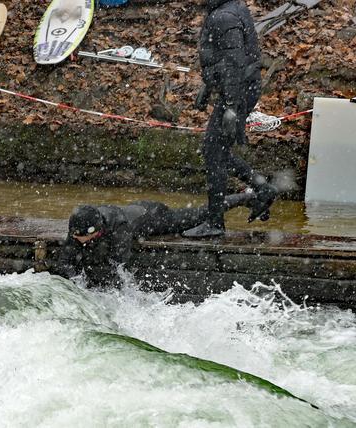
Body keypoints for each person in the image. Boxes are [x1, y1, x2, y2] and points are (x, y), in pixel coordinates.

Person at [184, 0, 278, 238]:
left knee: (214, 153)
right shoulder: (230, 9)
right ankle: (263, 189)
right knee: (216, 151)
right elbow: (228, 56)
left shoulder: (223, 17)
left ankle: (215, 223)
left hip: (237, 91)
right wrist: (209, 86)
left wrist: (231, 106)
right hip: (240, 88)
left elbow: (234, 63)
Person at [50, 194, 254, 284]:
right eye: (74, 236)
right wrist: (76, 281)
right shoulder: (79, 226)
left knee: (199, 214)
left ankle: (246, 197)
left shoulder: (119, 229)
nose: (76, 240)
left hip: (155, 216)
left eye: (81, 237)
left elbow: (120, 264)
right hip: (135, 208)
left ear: (95, 231)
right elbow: (65, 260)